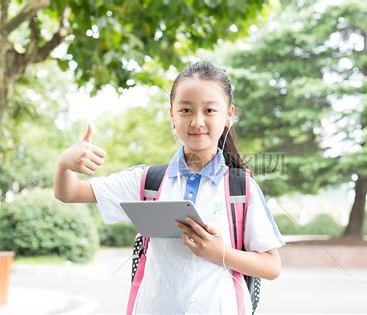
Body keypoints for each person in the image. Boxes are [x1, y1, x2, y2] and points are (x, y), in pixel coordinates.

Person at [54, 61, 285, 314]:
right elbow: (70, 193)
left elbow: (271, 266)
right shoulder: (148, 181)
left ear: (228, 115)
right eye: (186, 110)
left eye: (209, 110)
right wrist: (64, 165)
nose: (197, 121)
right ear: (171, 115)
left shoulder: (242, 188)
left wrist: (219, 253)